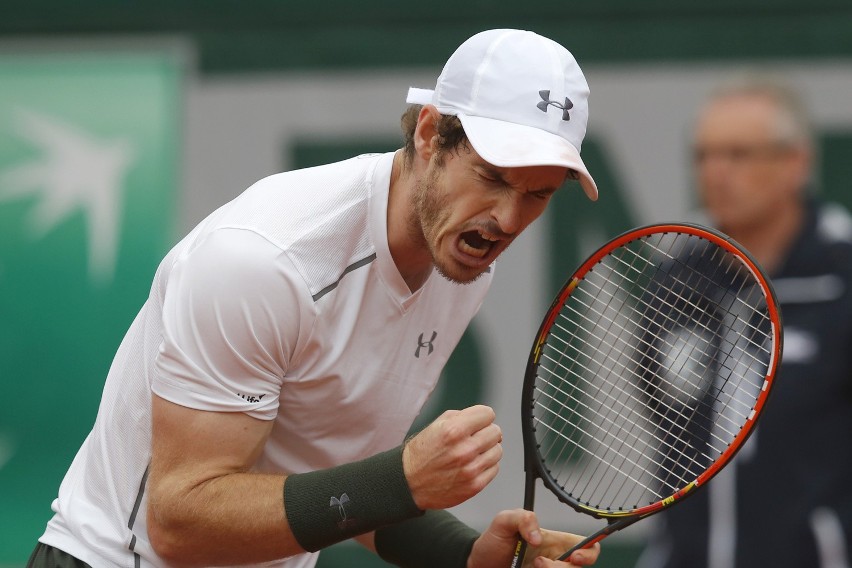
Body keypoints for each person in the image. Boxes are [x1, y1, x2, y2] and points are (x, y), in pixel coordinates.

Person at [28, 29, 604, 568]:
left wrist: (468, 555)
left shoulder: (464, 260)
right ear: (429, 134)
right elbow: (179, 520)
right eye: (492, 177)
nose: (508, 219)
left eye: (538, 195)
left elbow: (339, 477)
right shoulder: (263, 263)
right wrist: (402, 480)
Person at [635, 76, 852, 567]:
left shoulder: (843, 276)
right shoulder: (672, 282)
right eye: (705, 155)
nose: (716, 172)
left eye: (738, 154)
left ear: (795, 162)